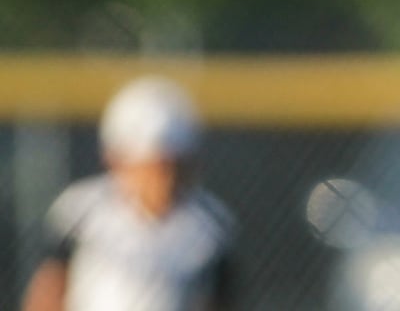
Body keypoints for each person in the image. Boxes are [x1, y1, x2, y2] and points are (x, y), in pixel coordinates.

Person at [22, 75, 238, 311]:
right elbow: (50, 290)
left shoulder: (208, 225)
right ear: (118, 160)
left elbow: (220, 301)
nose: (162, 180)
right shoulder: (80, 212)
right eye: (151, 167)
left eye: (170, 167)